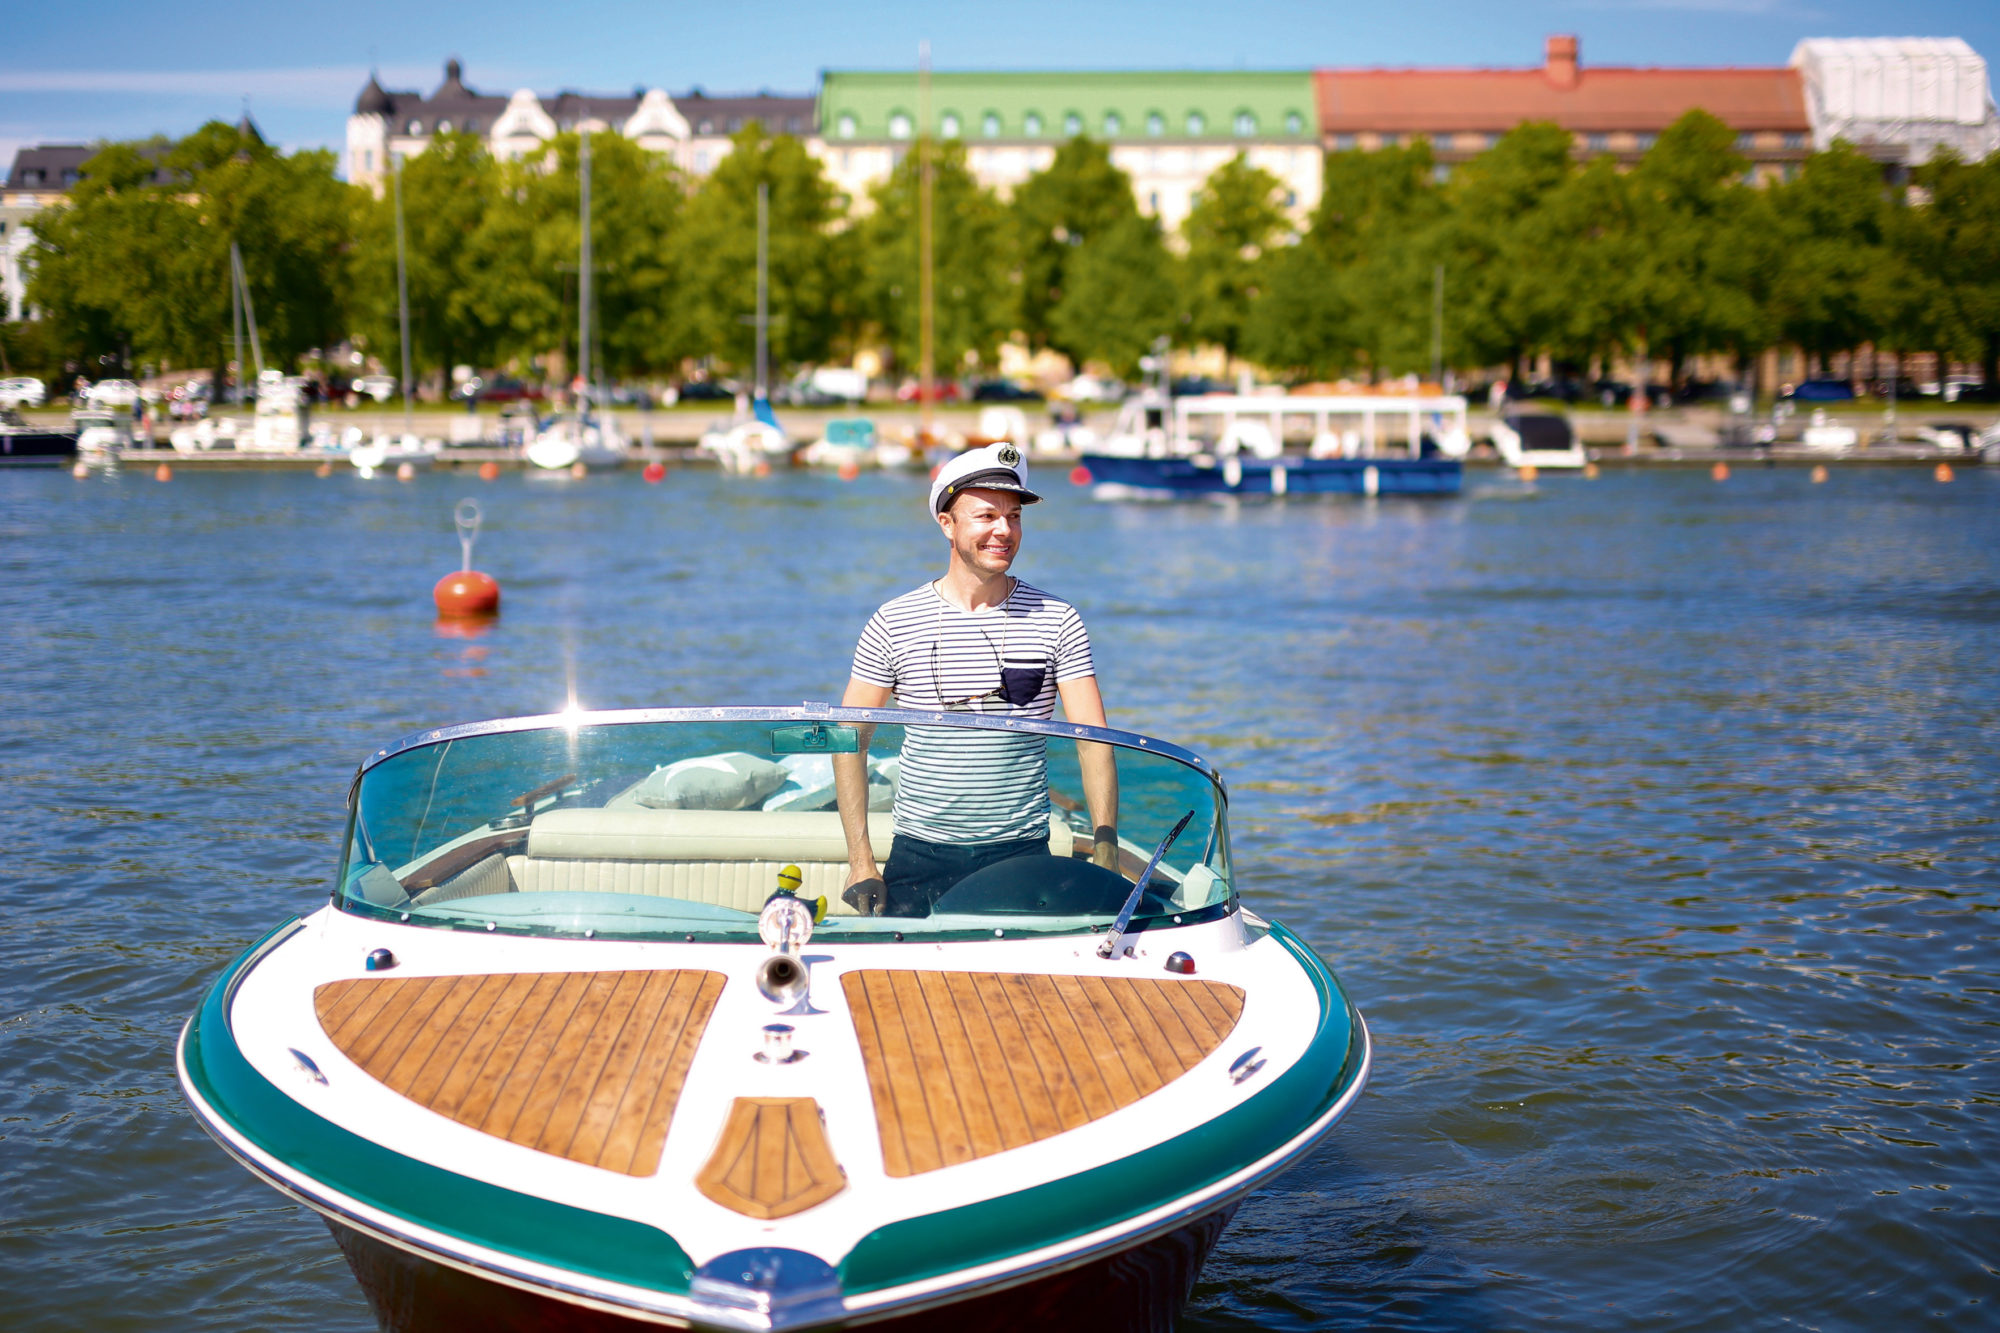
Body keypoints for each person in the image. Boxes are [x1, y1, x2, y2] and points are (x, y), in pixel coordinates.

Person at [834, 442, 1118, 917]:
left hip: (1021, 853)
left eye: (1014, 516)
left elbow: (1093, 740)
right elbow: (851, 741)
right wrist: (861, 861)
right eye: (986, 516)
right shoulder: (893, 622)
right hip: (919, 853)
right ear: (947, 523)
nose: (1004, 530)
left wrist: (1106, 843)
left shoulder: (1058, 619)